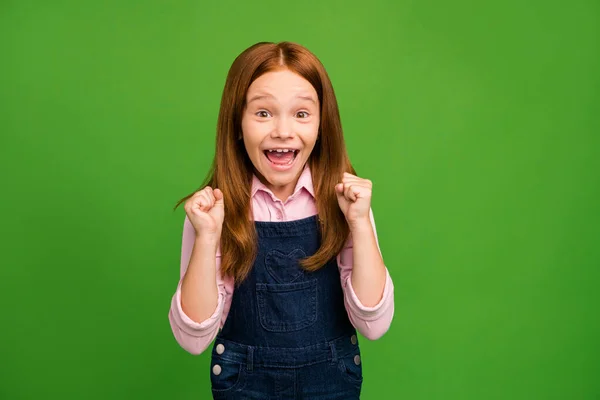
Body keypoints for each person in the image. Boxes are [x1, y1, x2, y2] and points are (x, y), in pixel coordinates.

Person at [168, 41, 395, 399]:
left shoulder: (347, 205)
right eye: (263, 113)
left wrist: (361, 224)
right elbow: (193, 338)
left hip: (330, 382)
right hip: (245, 384)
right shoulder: (212, 212)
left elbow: (375, 324)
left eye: (302, 114)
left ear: (322, 125)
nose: (283, 131)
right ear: (237, 124)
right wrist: (208, 236)